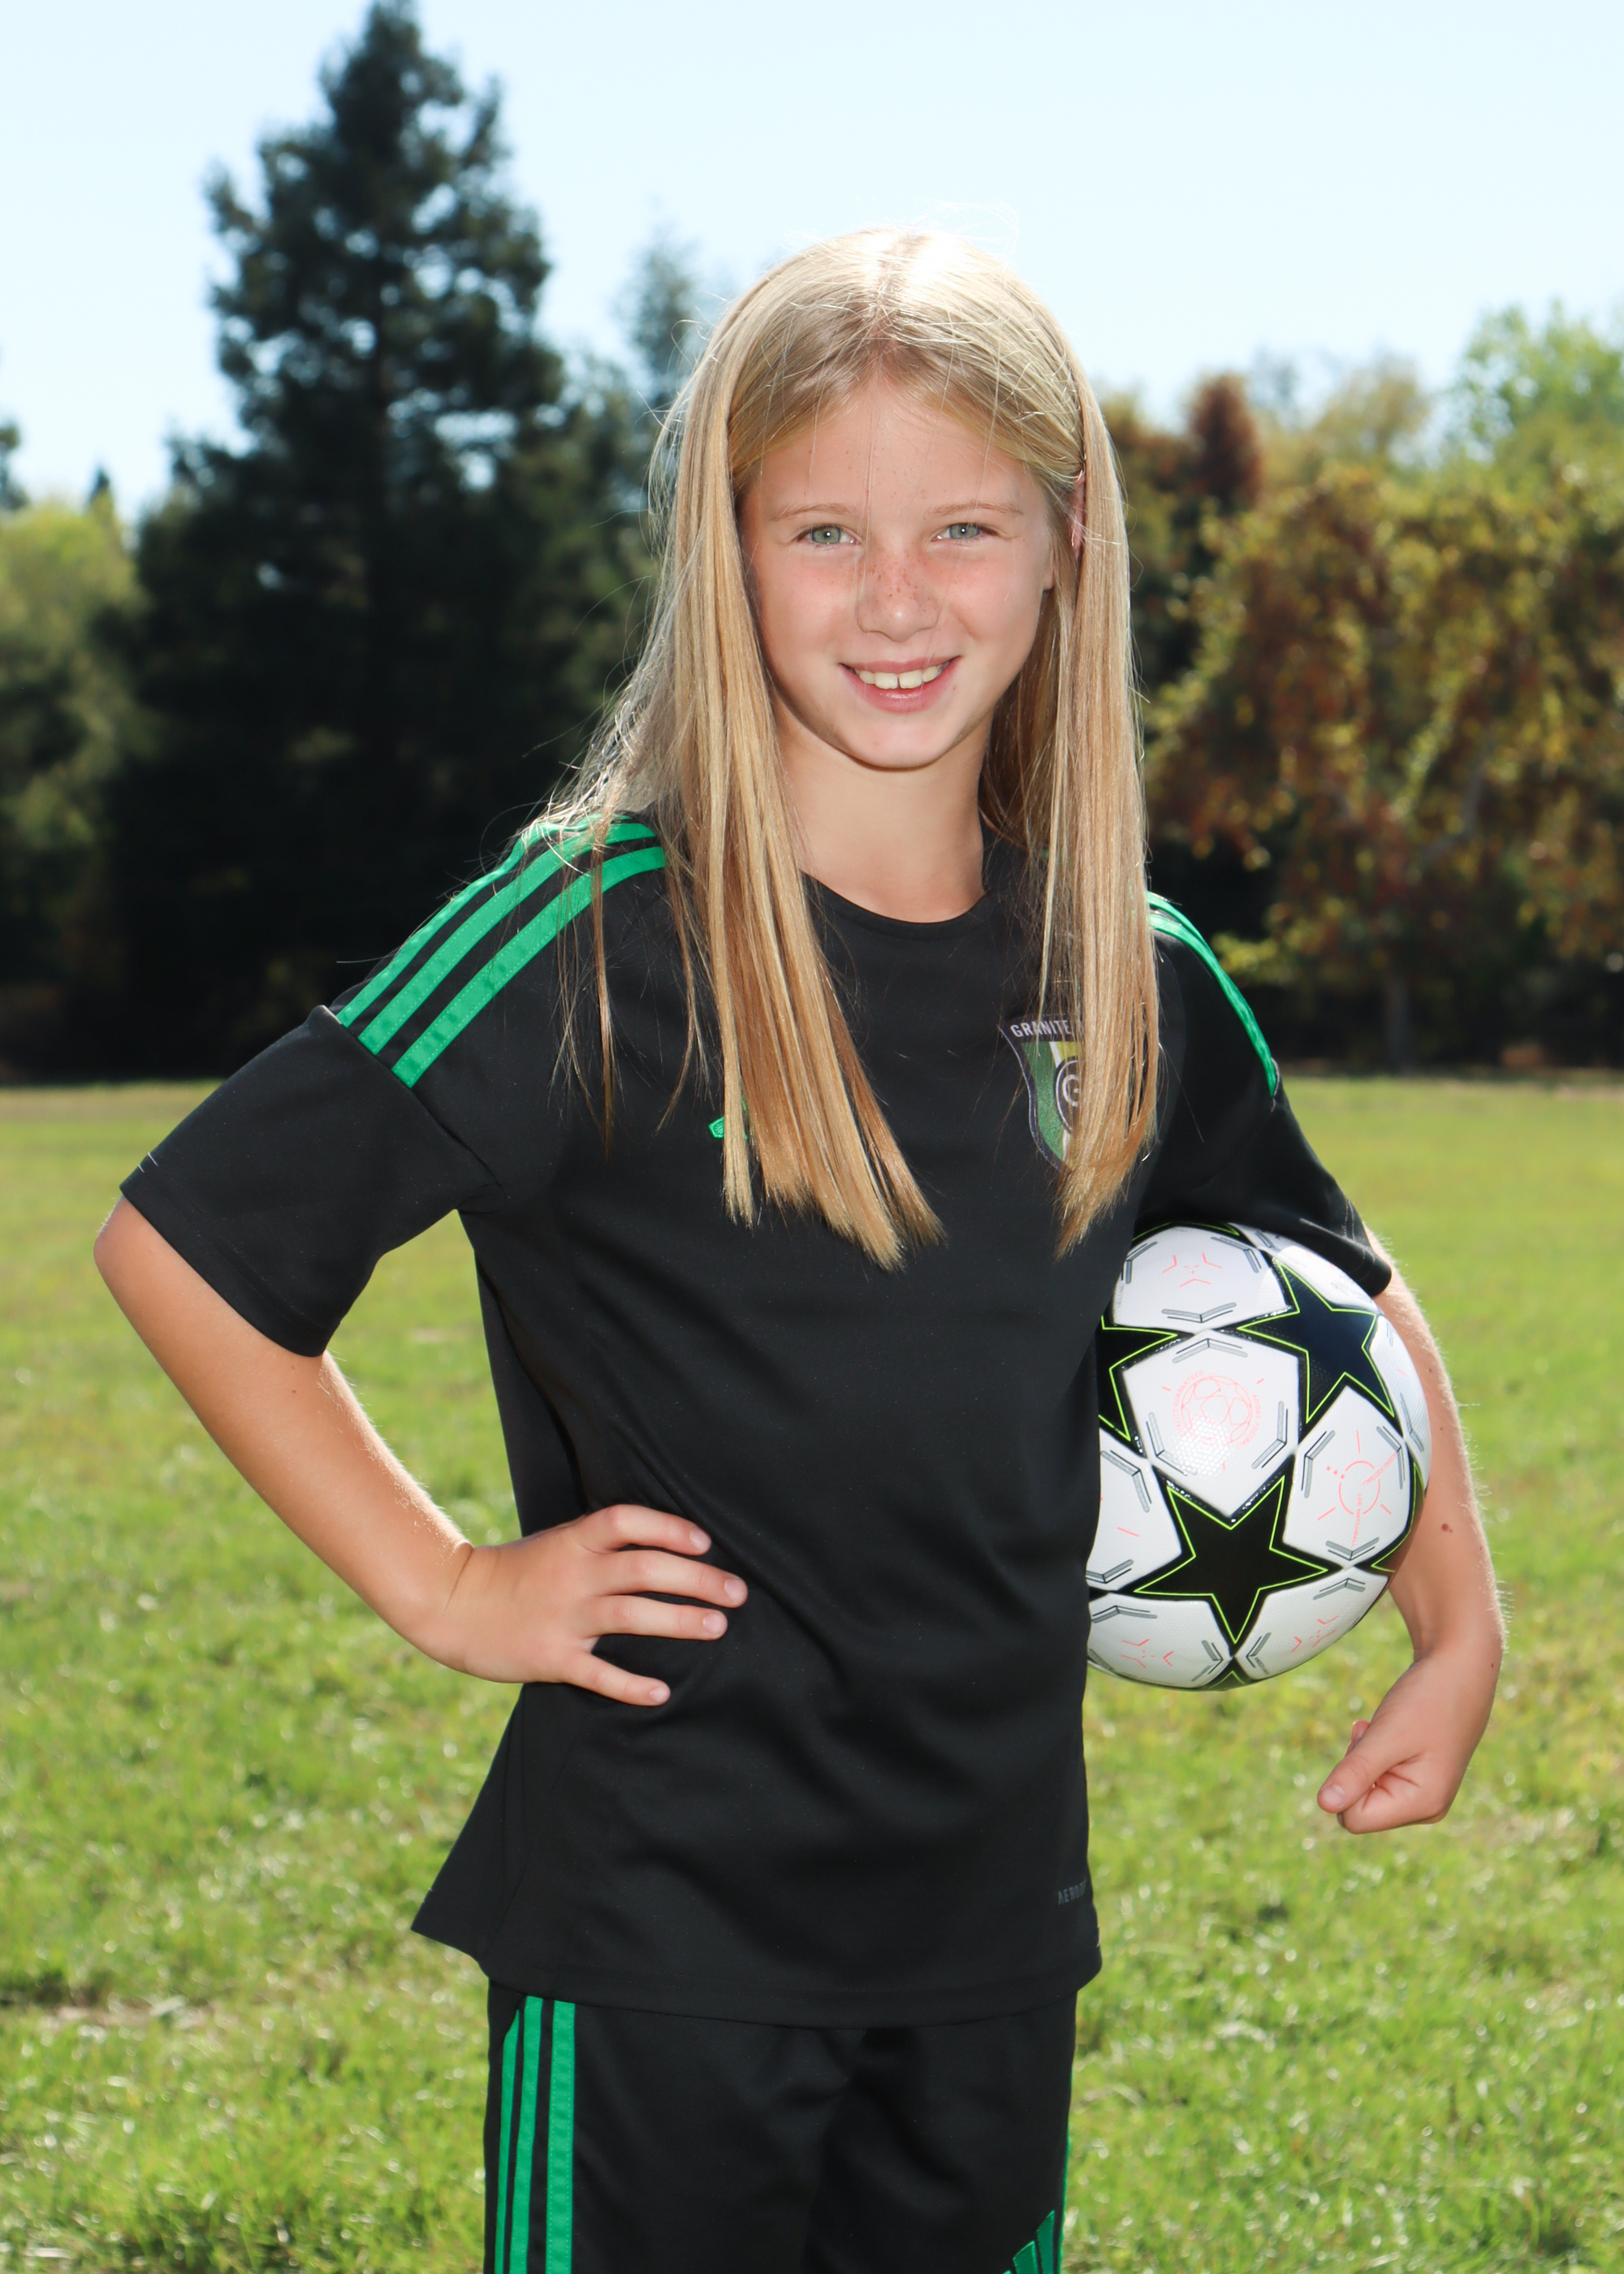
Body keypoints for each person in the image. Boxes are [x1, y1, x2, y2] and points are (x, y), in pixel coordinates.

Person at [95, 230, 1502, 2274]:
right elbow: (190, 1243)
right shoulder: (587, 938)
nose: (896, 596)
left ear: (1065, 545)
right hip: (657, 1935)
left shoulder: (1128, 970)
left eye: (962, 528)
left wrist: (1456, 1627)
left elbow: (1340, 1287)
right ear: (727, 549)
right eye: (824, 530)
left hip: (991, 1936)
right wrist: (446, 1580)